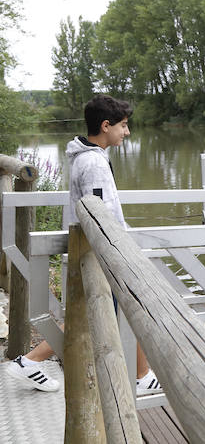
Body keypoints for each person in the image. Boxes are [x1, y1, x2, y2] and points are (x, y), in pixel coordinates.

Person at [6, 94, 161, 395]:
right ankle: (140, 376)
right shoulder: (93, 163)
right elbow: (99, 214)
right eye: (124, 126)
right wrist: (121, 250)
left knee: (94, 317)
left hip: (97, 251)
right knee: (126, 308)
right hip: (101, 253)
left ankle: (30, 362)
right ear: (106, 126)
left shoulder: (91, 156)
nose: (126, 133)